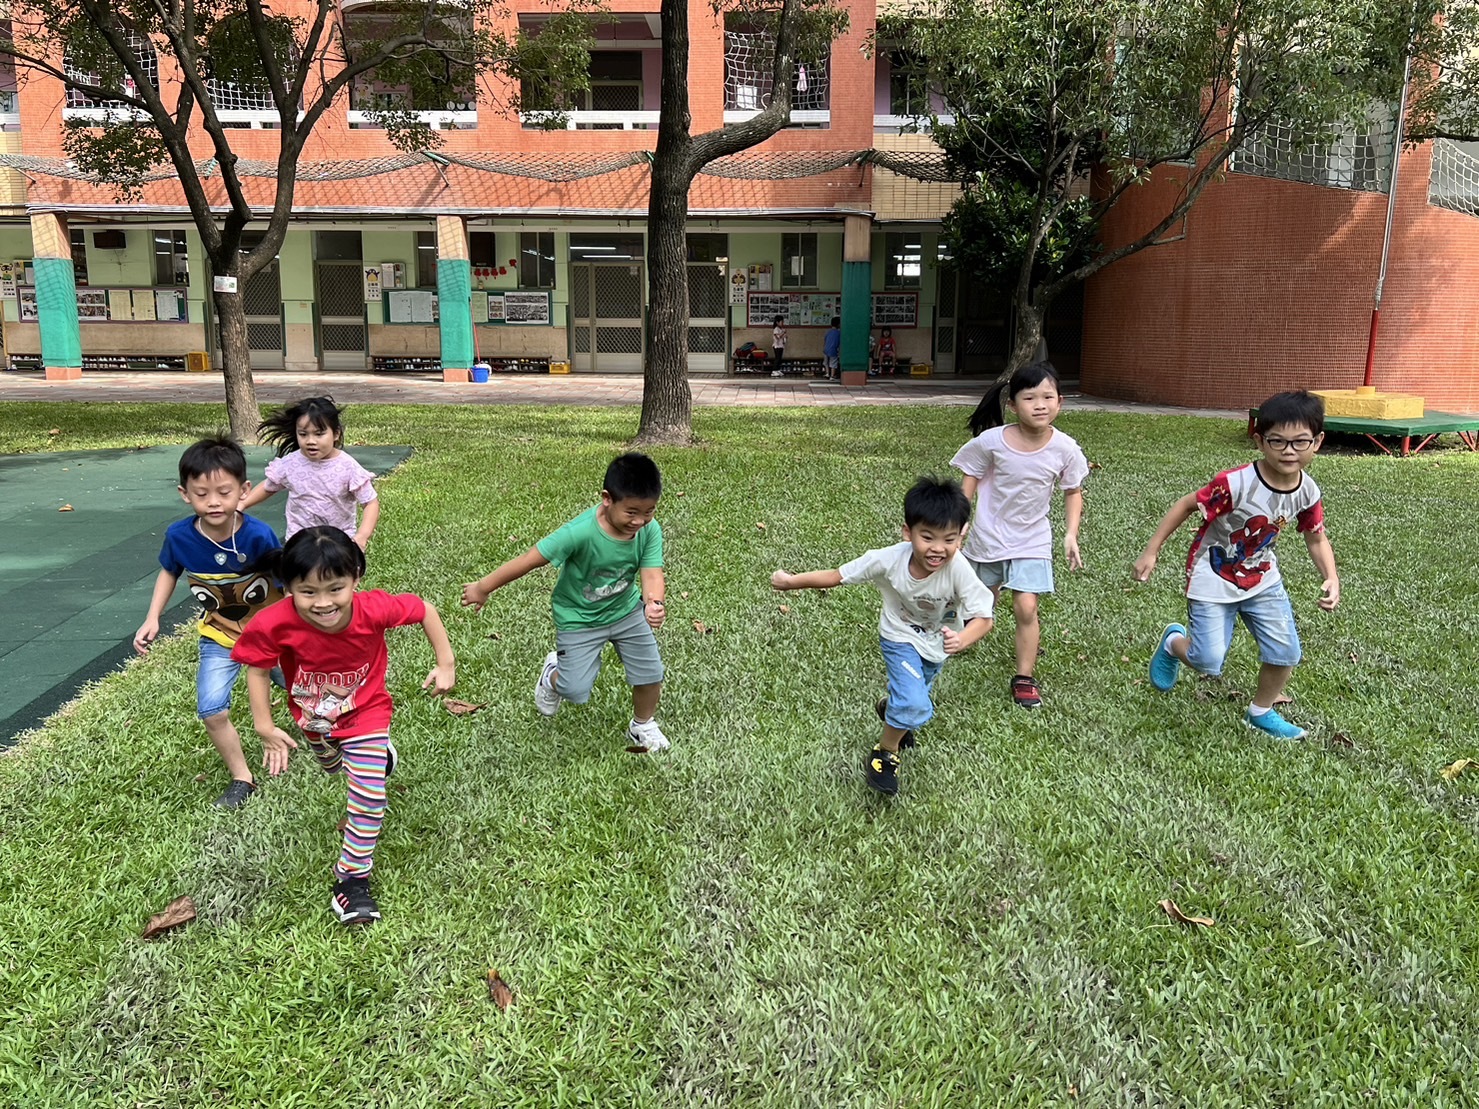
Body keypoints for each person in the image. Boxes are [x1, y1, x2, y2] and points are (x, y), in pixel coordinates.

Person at [232, 526, 457, 925]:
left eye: (335, 589)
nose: (323, 603)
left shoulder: (374, 609)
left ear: (355, 578)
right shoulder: (274, 622)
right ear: (288, 587)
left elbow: (423, 609)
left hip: (366, 713)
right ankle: (372, 760)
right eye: (308, 592)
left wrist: (446, 663)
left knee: (368, 797)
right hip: (313, 718)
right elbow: (259, 669)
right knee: (332, 765)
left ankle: (351, 880)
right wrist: (264, 726)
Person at [772, 476, 995, 797]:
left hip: (936, 646)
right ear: (907, 532)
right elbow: (837, 575)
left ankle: (891, 706)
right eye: (927, 537)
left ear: (962, 534)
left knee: (909, 699)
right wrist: (790, 582)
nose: (938, 549)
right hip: (898, 637)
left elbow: (984, 618)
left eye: (949, 539)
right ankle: (885, 753)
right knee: (914, 702)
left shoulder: (958, 568)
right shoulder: (888, 559)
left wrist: (963, 639)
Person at [1134, 390, 1338, 740]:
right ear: (1260, 442)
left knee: (1286, 651)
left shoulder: (1308, 492)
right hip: (1212, 576)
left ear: (1317, 442)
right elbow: (1186, 505)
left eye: (1300, 441)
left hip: (1262, 579)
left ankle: (1261, 712)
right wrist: (1151, 550)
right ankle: (1172, 643)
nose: (1289, 451)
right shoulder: (1235, 484)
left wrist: (1331, 576)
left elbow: (1316, 537)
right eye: (1278, 441)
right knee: (1207, 661)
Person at [461, 452, 670, 752]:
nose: (640, 521)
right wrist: (483, 587)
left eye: (649, 511)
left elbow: (652, 573)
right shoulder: (579, 533)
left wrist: (654, 602)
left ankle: (642, 725)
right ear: (607, 499)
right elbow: (529, 559)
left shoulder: (649, 530)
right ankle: (551, 675)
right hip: (579, 618)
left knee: (650, 672)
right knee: (574, 689)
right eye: (632, 512)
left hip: (626, 612)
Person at [132, 435, 283, 809]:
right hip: (220, 636)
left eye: (224, 492)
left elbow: (287, 583)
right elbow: (169, 571)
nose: (213, 502)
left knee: (307, 689)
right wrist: (152, 617)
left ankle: (328, 735)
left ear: (244, 490)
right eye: (202, 494)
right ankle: (242, 778)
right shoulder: (180, 537)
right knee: (212, 710)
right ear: (185, 494)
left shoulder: (258, 535)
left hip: (271, 636)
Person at [951, 361, 1088, 710]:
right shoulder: (991, 441)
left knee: (1026, 606)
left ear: (1060, 402)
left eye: (1048, 397)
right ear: (1012, 405)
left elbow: (1073, 491)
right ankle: (964, 631)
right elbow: (970, 476)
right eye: (1030, 398)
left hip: (1032, 540)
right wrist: (960, 521)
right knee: (981, 602)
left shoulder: (1066, 449)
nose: (1040, 405)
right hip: (989, 536)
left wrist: (1071, 534)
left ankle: (1024, 677)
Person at [238, 396, 380, 549]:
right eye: (303, 434)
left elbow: (370, 502)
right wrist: (243, 504)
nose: (310, 441)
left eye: (319, 434)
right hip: (299, 542)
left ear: (336, 434)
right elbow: (268, 487)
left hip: (338, 544)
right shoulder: (291, 463)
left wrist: (362, 536)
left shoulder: (348, 467)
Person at [822, 315, 841, 380]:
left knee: (826, 362)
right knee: (833, 363)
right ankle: (832, 376)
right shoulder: (839, 333)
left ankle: (827, 373)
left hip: (826, 349)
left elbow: (825, 340)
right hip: (833, 350)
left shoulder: (828, 331)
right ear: (838, 324)